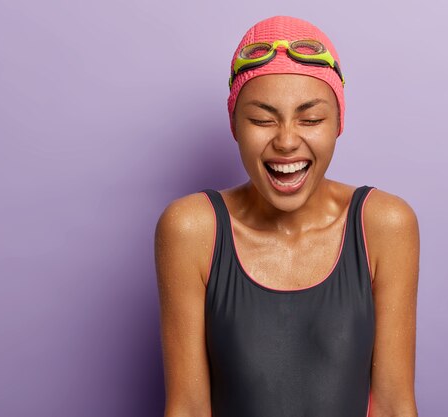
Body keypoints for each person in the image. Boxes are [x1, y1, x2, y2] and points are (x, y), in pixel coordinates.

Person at [154, 15, 420, 417]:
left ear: (338, 123)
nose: (287, 141)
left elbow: (394, 405)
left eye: (311, 119)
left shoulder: (383, 224)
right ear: (234, 125)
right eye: (262, 120)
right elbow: (188, 408)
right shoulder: (192, 229)